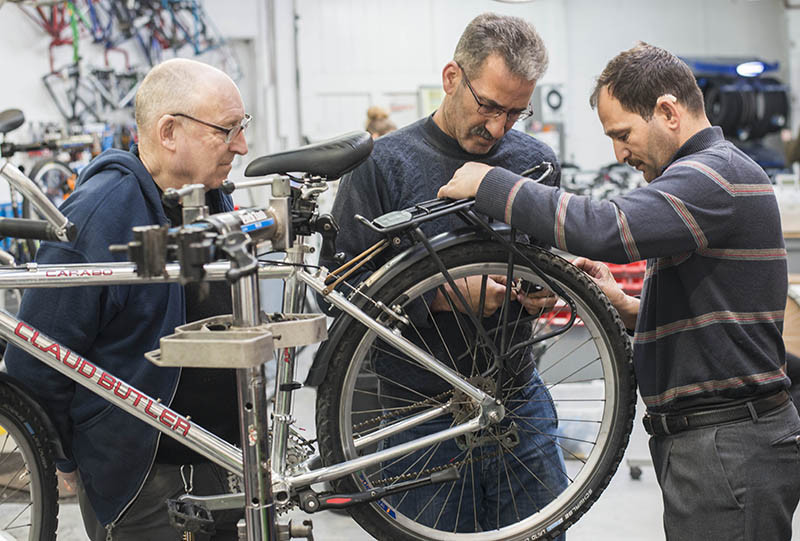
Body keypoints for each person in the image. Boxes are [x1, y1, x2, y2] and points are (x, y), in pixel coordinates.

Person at [438, 42, 800, 541]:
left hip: (727, 442)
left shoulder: (714, 176)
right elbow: (711, 313)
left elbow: (607, 228)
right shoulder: (709, 176)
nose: (620, 153)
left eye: (623, 134)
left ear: (668, 112)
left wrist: (492, 185)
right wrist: (628, 307)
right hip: (716, 440)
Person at [318, 12, 567, 535]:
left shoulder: (535, 162)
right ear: (453, 78)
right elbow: (337, 293)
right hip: (420, 419)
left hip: (519, 402)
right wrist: (445, 296)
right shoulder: (381, 165)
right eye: (490, 106)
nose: (498, 127)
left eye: (516, 113)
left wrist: (543, 288)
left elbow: (546, 263)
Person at [5, 58, 251, 540]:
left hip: (221, 460)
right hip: (146, 482)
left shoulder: (207, 198)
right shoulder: (101, 212)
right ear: (169, 131)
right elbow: (34, 354)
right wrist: (61, 456)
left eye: (242, 128)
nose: (241, 146)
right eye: (227, 130)